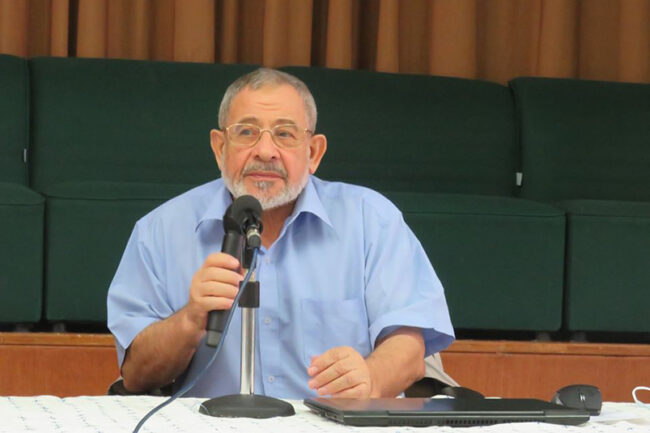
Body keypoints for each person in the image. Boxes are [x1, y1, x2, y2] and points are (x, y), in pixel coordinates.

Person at [107, 68, 454, 399]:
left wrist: (371, 378)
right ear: (219, 147)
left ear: (313, 152)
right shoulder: (160, 231)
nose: (265, 151)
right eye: (246, 132)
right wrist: (189, 319)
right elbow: (136, 373)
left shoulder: (371, 220)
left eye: (285, 134)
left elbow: (409, 348)